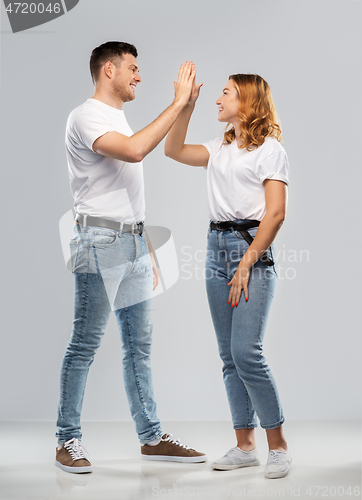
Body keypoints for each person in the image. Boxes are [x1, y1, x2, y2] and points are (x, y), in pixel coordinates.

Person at [55, 42, 206, 474]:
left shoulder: (115, 115)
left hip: (136, 243)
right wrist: (175, 102)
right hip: (100, 244)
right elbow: (136, 150)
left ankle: (152, 437)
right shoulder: (84, 116)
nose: (139, 76)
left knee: (138, 347)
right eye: (133, 68)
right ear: (109, 70)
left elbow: (142, 155)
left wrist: (184, 108)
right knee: (84, 345)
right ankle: (67, 439)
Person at [165, 71, 291, 479]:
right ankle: (244, 446)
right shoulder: (220, 146)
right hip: (214, 248)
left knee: (246, 352)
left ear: (247, 102)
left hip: (249, 249)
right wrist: (185, 105)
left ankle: (278, 446)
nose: (217, 99)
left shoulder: (270, 150)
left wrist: (246, 262)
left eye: (225, 93)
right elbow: (173, 149)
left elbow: (275, 213)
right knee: (228, 357)